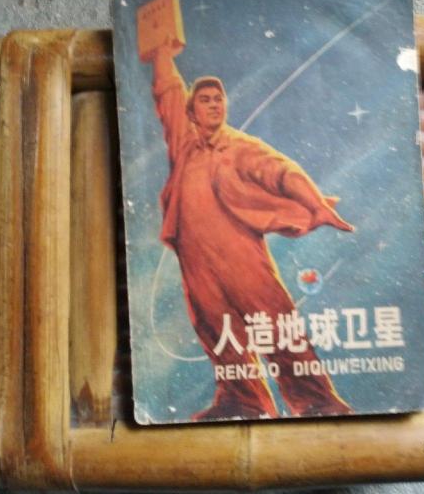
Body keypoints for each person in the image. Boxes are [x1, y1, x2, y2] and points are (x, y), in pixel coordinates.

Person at [148, 43, 354, 420]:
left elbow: (282, 172)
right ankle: (244, 401)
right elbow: (169, 97)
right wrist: (162, 53)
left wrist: (315, 204)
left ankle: (317, 401)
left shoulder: (240, 148)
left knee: (274, 322)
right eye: (205, 100)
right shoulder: (185, 146)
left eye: (219, 99)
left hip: (238, 253)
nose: (214, 105)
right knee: (214, 326)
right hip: (196, 256)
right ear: (192, 111)